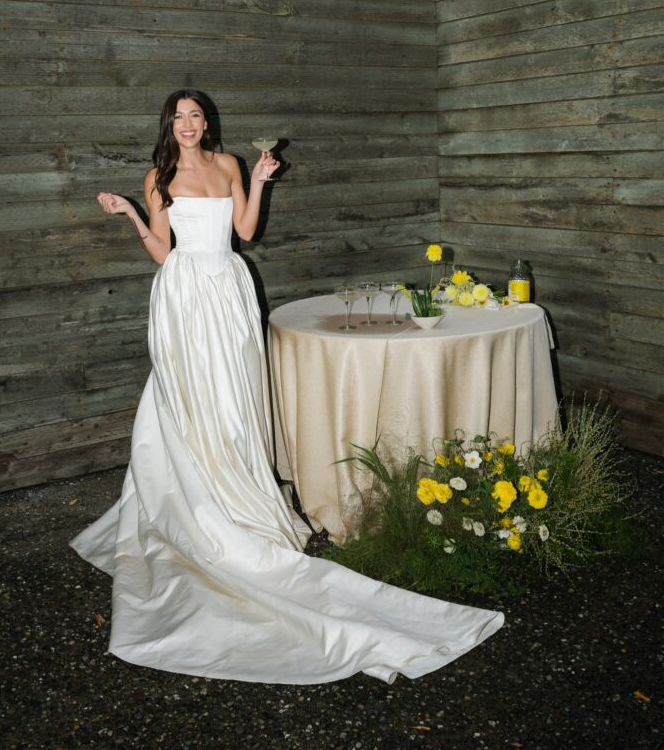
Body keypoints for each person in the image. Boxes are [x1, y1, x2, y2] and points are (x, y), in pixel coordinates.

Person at [71, 89, 503, 684]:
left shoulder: (228, 166)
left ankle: (238, 493)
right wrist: (132, 215)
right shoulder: (158, 175)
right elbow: (163, 252)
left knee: (234, 398)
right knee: (189, 396)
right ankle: (195, 494)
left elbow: (244, 230)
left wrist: (262, 177)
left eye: (197, 115)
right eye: (180, 117)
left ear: (207, 123)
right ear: (168, 126)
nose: (190, 124)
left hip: (228, 288)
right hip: (183, 296)